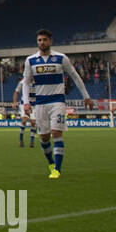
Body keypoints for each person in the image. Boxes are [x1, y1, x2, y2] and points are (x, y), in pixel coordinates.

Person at [21, 29, 91, 179]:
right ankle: (51, 163)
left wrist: (86, 96)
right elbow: (26, 83)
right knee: (44, 137)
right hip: (40, 103)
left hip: (57, 101)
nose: (42, 42)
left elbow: (75, 76)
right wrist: (26, 102)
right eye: (39, 40)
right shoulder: (30, 60)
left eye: (44, 40)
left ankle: (57, 169)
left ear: (50, 41)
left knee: (56, 133)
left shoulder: (61, 58)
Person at [12, 82, 36, 147]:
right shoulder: (22, 82)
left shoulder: (38, 81)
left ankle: (32, 141)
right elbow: (16, 92)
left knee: (33, 122)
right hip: (24, 104)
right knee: (24, 120)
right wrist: (14, 102)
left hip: (34, 105)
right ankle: (21, 139)